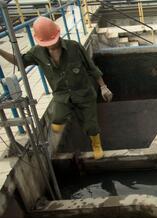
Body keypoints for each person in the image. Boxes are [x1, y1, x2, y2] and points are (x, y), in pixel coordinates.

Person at [0, 17, 113, 160]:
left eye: (53, 42)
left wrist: (103, 87)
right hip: (62, 95)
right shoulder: (37, 53)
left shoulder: (74, 47)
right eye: (47, 43)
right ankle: (65, 124)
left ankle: (96, 145)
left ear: (58, 34)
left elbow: (92, 68)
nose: (51, 46)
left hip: (84, 93)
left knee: (91, 124)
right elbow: (19, 61)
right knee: (57, 122)